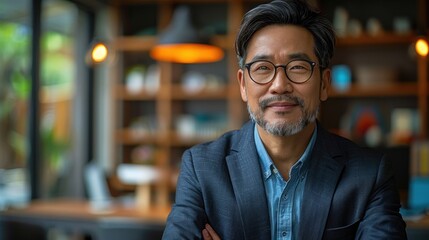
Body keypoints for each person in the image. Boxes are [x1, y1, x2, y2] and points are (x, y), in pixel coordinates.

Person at [162, 0, 407, 239]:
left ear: (324, 83)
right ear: (243, 85)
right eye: (262, 68)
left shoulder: (369, 175)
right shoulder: (201, 168)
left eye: (298, 67)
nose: (280, 85)